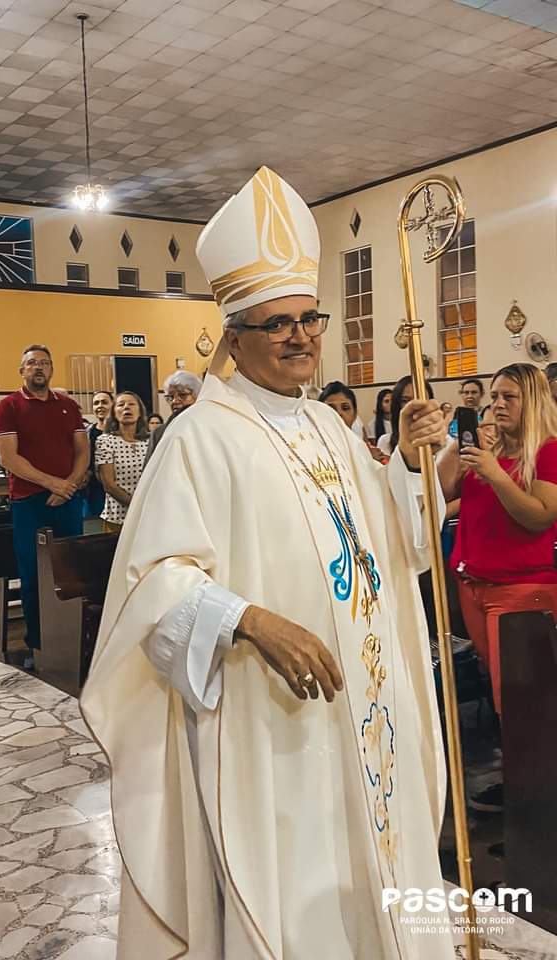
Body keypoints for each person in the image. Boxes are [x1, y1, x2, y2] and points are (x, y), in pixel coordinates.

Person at [81, 167, 453, 960]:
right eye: (275, 324)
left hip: (366, 702)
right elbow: (156, 582)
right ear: (235, 337)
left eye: (308, 320)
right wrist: (248, 620)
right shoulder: (199, 437)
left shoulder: (328, 424)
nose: (300, 337)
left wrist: (411, 470)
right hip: (272, 718)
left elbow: (384, 544)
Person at [444, 364, 557, 720]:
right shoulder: (488, 451)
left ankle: (532, 776)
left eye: (510, 397)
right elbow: (440, 491)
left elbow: (539, 516)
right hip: (474, 584)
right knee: (501, 690)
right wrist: (456, 447)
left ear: (534, 402)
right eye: (494, 397)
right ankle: (518, 771)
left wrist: (494, 474)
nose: (498, 404)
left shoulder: (548, 451)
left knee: (524, 699)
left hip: (519, 587)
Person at [0, 344, 89, 669]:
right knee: (34, 575)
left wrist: (69, 485)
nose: (38, 368)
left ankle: (75, 640)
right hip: (30, 503)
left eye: (45, 363)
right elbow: (9, 458)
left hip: (68, 500)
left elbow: (82, 451)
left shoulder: (68, 405)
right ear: (22, 371)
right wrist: (53, 483)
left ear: (51, 370)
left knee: (73, 572)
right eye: (32, 363)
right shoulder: (10, 406)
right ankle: (37, 644)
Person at [94, 391, 149, 533]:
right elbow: (109, 484)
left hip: (150, 513)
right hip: (118, 517)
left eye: (131, 404)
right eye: (121, 405)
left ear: (140, 412)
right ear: (114, 413)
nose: (126, 408)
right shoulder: (105, 441)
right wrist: (136, 506)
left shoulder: (150, 441)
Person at [144, 370, 202, 465]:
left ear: (197, 396)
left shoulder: (207, 427)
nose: (175, 401)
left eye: (182, 395)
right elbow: (149, 469)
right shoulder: (159, 433)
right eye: (170, 397)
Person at [378, 374, 435, 457]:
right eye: (405, 401)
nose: (414, 406)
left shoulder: (445, 442)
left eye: (420, 399)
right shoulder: (386, 442)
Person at [85, 391, 113, 520]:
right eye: (96, 403)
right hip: (94, 491)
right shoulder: (87, 433)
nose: (100, 406)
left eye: (104, 402)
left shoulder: (120, 433)